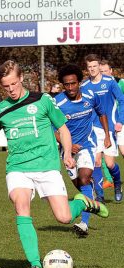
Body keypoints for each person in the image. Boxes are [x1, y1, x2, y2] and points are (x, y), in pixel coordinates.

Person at [0, 60, 109, 268]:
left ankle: (83, 202)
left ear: (21, 78)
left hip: (47, 165)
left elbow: (63, 128)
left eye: (13, 83)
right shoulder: (0, 110)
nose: (10, 89)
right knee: (21, 205)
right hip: (18, 167)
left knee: (64, 217)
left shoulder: (42, 100)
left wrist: (67, 154)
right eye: (5, 86)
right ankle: (35, 265)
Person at [55, 64, 110, 237]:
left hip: (87, 145)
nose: (70, 87)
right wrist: (68, 146)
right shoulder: (58, 103)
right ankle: (92, 201)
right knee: (80, 186)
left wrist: (107, 135)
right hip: (67, 151)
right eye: (66, 84)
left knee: (85, 179)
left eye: (73, 83)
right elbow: (52, 129)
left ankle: (84, 224)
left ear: (79, 82)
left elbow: (102, 113)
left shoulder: (90, 95)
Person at [82, 54, 124, 203]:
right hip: (93, 128)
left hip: (110, 127)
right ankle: (99, 196)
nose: (92, 69)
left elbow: (121, 100)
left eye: (94, 66)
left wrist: (120, 121)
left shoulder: (110, 81)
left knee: (110, 163)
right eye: (89, 67)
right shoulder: (84, 86)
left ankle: (117, 185)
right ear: (87, 69)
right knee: (96, 162)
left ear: (99, 66)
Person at [99, 60, 124, 167]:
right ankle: (109, 180)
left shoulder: (121, 83)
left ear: (111, 71)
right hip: (105, 122)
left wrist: (121, 121)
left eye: (106, 71)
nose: (104, 73)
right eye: (101, 71)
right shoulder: (97, 85)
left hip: (120, 121)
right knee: (104, 152)